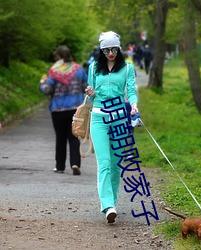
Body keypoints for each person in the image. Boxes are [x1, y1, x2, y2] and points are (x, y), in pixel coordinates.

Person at [85, 31, 138, 223]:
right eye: (106, 50)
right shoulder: (93, 68)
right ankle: (107, 205)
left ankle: (113, 201)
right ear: (101, 50)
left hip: (119, 119)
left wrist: (133, 104)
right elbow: (91, 97)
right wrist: (90, 92)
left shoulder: (127, 68)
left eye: (114, 49)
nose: (110, 53)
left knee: (116, 165)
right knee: (104, 163)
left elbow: (131, 90)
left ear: (119, 48)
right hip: (98, 118)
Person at [39, 45, 88, 175]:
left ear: (58, 57)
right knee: (73, 137)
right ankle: (75, 163)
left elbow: (47, 90)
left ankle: (60, 166)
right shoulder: (79, 70)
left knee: (60, 138)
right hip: (75, 109)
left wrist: (42, 83)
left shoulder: (54, 71)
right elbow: (86, 87)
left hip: (58, 109)